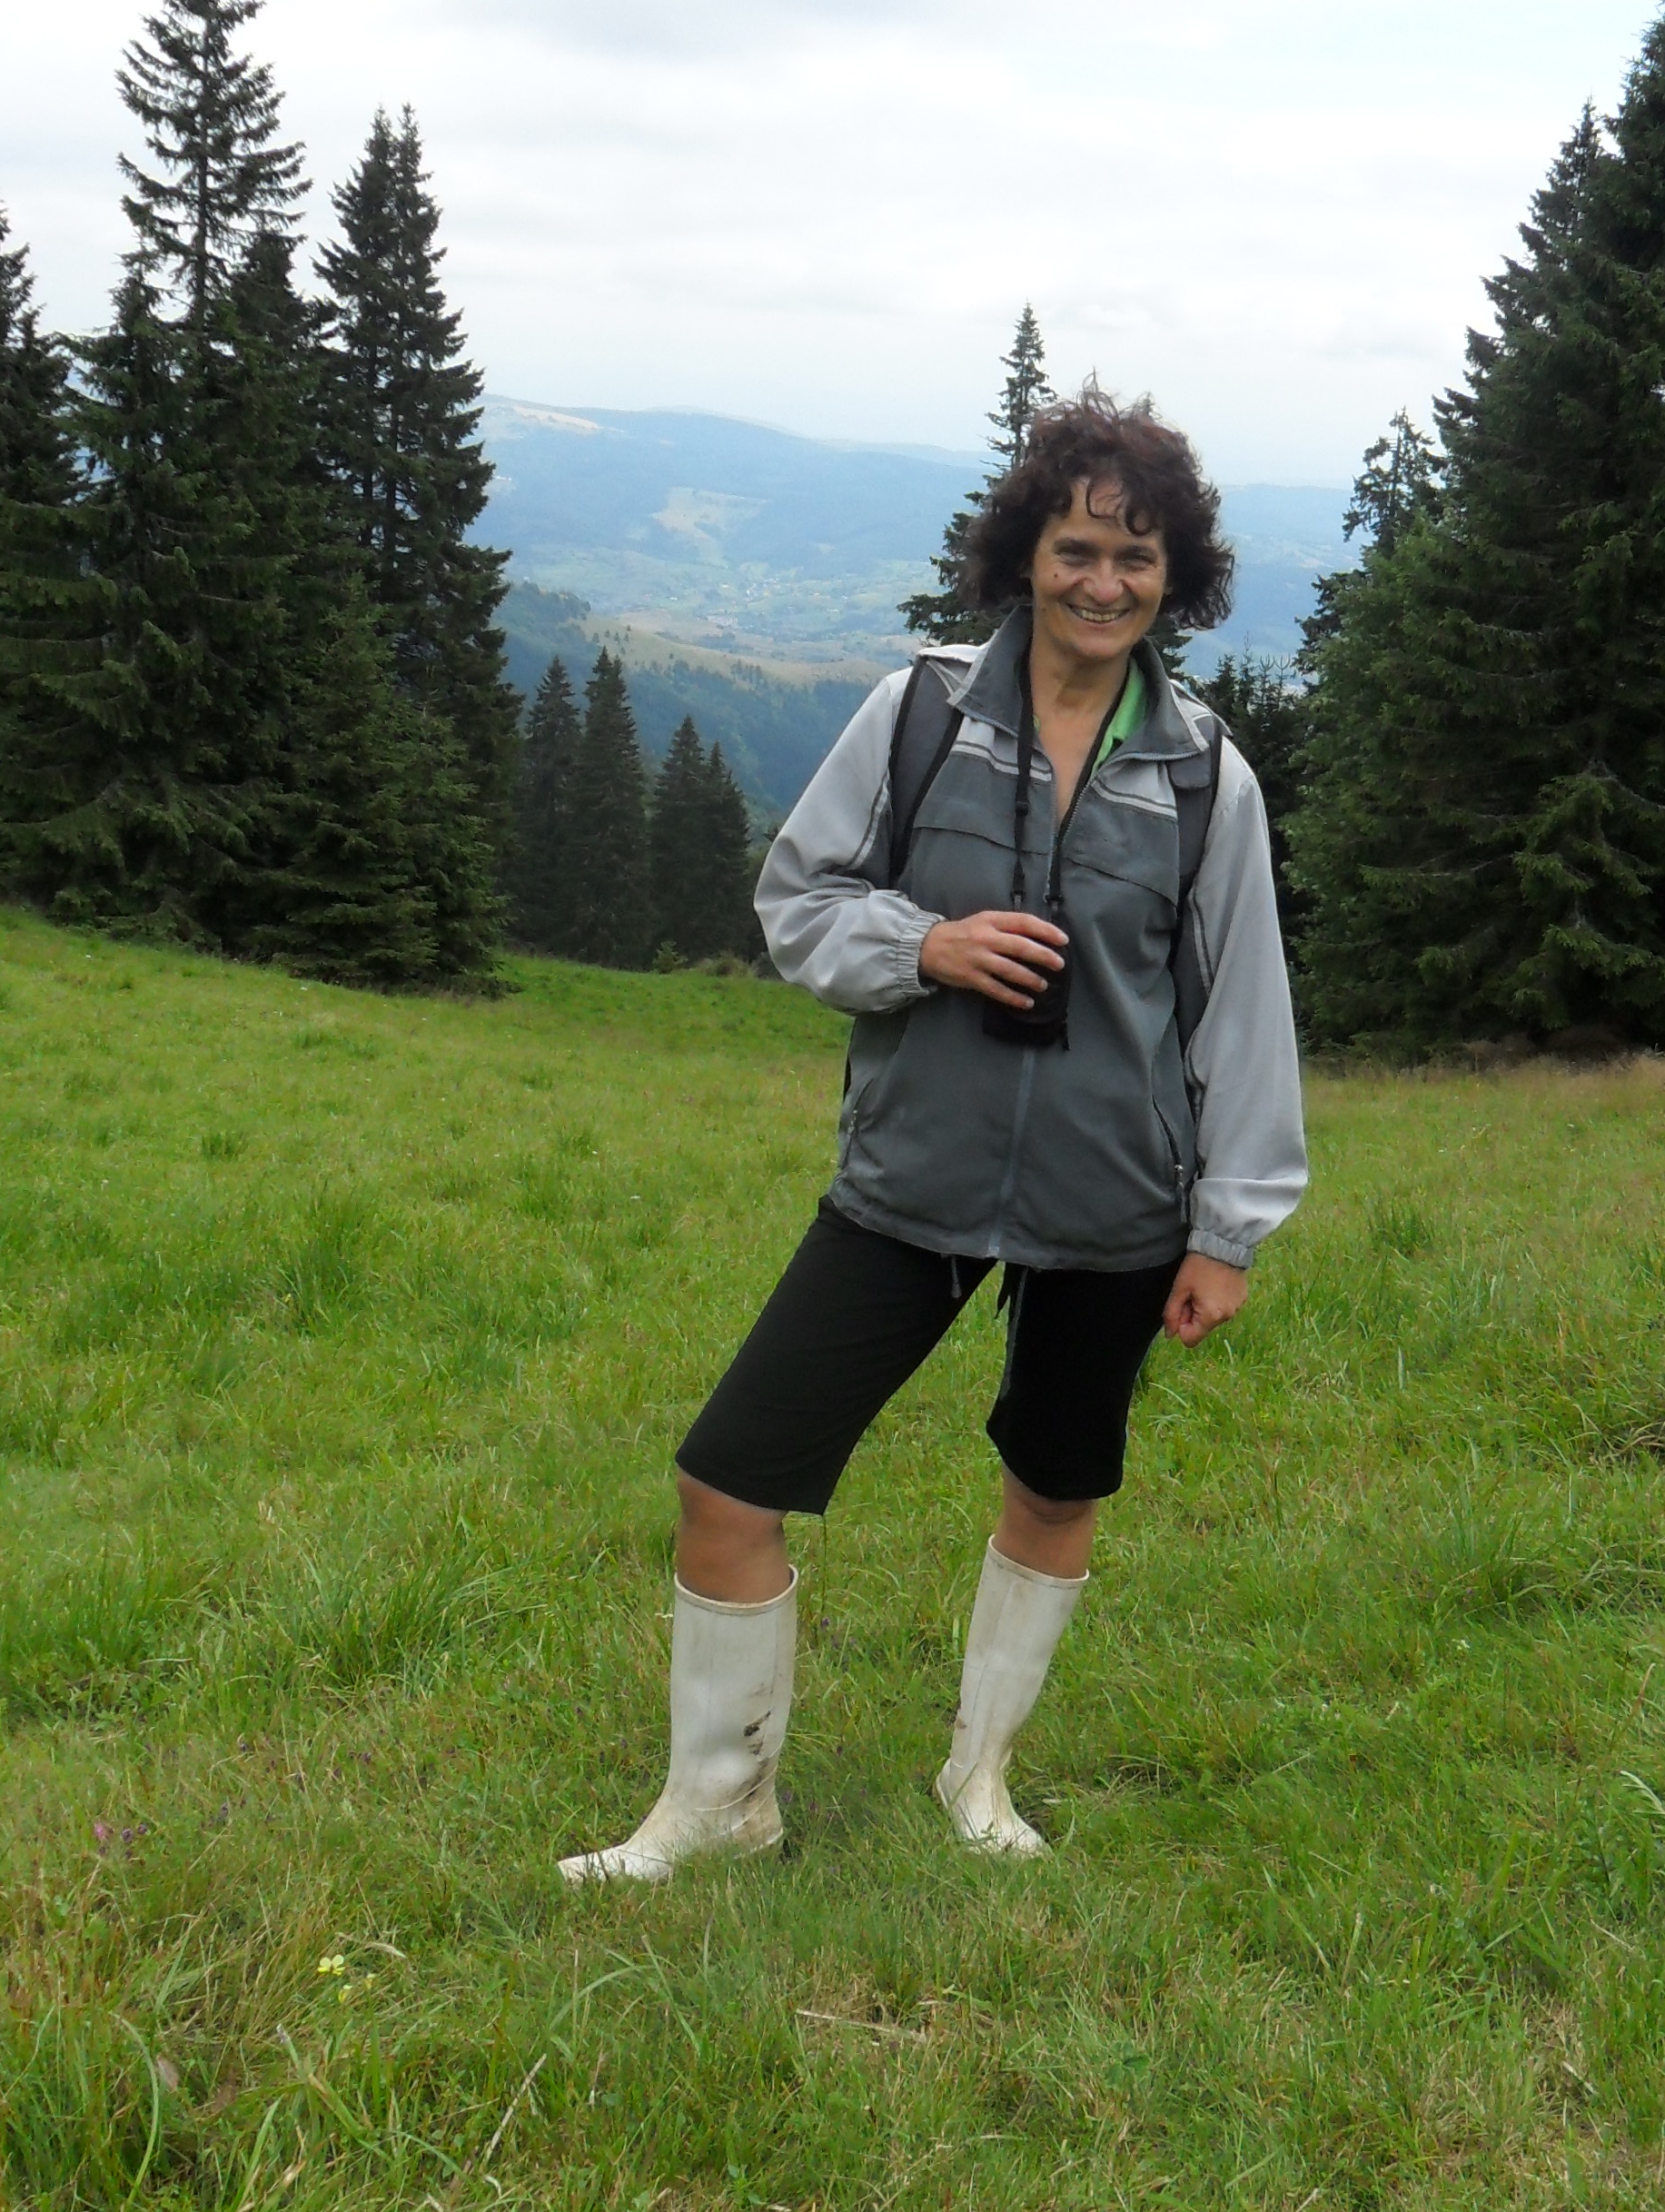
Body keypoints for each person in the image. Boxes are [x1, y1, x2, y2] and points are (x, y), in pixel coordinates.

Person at [560, 386, 1307, 1884]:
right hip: (913, 1178)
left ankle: (980, 1778)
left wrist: (1228, 1230)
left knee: (1056, 1487)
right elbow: (797, 901)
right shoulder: (920, 714)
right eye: (1077, 548)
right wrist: (926, 947)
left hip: (1116, 1201)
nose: (1103, 583)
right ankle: (720, 1809)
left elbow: (1242, 1011)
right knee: (727, 1481)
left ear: (1175, 579)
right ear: (1026, 553)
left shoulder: (1205, 774)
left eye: (1137, 558)